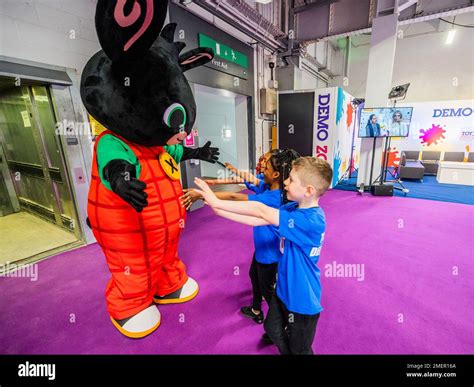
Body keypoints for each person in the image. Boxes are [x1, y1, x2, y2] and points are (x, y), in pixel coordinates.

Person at [193, 156, 333, 355]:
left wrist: (217, 200)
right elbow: (258, 220)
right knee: (272, 329)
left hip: (302, 301)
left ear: (309, 190)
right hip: (283, 291)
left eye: (291, 180)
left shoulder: (311, 221)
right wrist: (219, 210)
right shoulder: (292, 209)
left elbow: (260, 209)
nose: (285, 182)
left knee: (300, 350)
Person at [182, 149, 300, 326]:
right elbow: (246, 179)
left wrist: (202, 194)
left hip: (269, 254)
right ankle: (256, 309)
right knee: (254, 276)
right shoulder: (268, 185)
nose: (261, 170)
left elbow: (233, 196)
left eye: (266, 167)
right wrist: (215, 181)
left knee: (269, 291)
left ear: (276, 174)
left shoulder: (272, 198)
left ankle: (282, 324)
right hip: (262, 249)